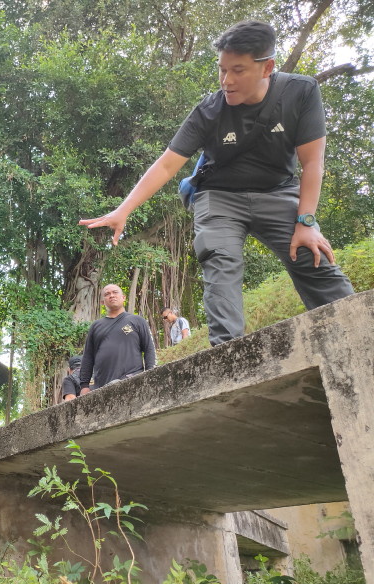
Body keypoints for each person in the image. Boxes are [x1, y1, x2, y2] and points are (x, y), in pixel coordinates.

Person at [79, 21, 354, 346]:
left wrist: (306, 221)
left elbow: (312, 163)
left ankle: (353, 330)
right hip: (219, 198)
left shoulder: (301, 92)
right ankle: (228, 356)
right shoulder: (209, 110)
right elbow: (167, 164)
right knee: (220, 263)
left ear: (268, 67)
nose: (227, 80)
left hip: (279, 193)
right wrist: (123, 210)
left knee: (312, 255)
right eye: (222, 70)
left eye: (238, 70)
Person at [80, 285, 156, 394]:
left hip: (132, 380)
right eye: (107, 294)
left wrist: (150, 376)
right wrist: (84, 385)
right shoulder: (96, 326)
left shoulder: (138, 321)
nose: (111, 295)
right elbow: (88, 356)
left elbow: (149, 349)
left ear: (123, 297)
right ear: (102, 302)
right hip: (101, 386)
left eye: (115, 292)